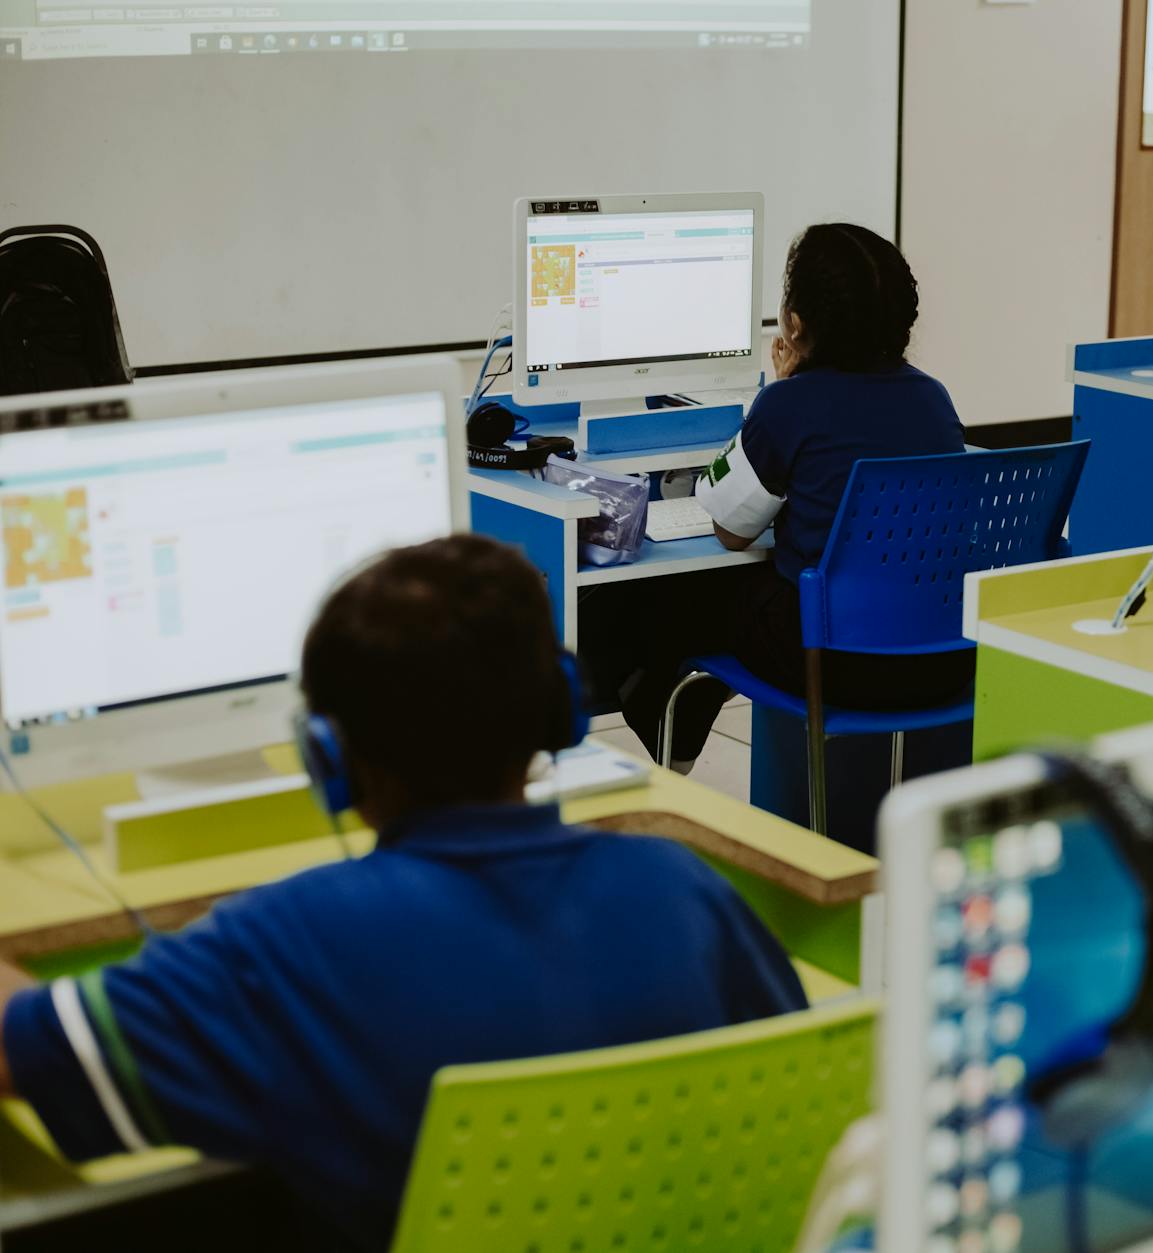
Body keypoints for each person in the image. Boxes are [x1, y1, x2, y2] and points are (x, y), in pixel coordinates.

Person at [0, 534, 807, 1250]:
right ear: (559, 713)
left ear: (329, 761)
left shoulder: (283, 943)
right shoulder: (679, 887)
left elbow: (19, 1050)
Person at [599, 222, 970, 772]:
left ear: (794, 325)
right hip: (942, 658)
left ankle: (667, 747)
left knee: (675, 596)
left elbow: (731, 532)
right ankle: (677, 724)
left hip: (833, 660)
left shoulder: (789, 405)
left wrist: (776, 392)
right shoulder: (934, 400)